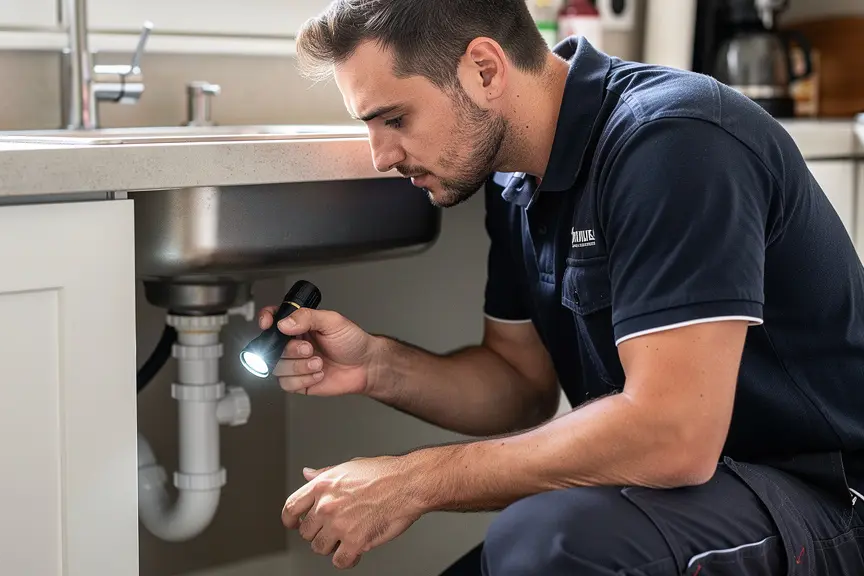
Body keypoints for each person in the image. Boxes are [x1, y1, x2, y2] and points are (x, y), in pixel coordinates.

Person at [256, 1, 864, 574]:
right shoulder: (515, 180)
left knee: (546, 542)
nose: (381, 155)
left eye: (395, 118)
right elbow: (519, 385)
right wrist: (375, 365)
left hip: (826, 503)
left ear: (485, 70)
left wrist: (411, 482)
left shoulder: (673, 141)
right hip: (697, 500)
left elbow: (672, 435)